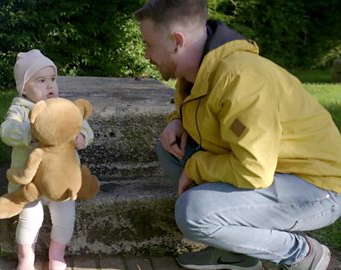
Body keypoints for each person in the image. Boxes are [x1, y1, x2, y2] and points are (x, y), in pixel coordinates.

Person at [134, 0, 341, 269]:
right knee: (171, 150)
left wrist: (196, 166)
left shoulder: (241, 78)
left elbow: (254, 170)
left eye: (148, 44)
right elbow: (204, 109)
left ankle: (302, 254)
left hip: (318, 188)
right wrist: (179, 120)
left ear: (176, 41)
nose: (146, 55)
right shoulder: (199, 72)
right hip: (274, 169)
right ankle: (237, 254)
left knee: (194, 213)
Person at [0, 49, 94, 270]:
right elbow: (6, 131)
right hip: (31, 184)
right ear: (24, 88)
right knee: (30, 219)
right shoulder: (20, 109)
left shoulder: (62, 107)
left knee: (65, 216)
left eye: (52, 79)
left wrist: (82, 137)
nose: (50, 86)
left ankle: (57, 254)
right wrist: (30, 133)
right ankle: (25, 256)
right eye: (40, 81)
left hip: (60, 182)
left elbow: (83, 125)